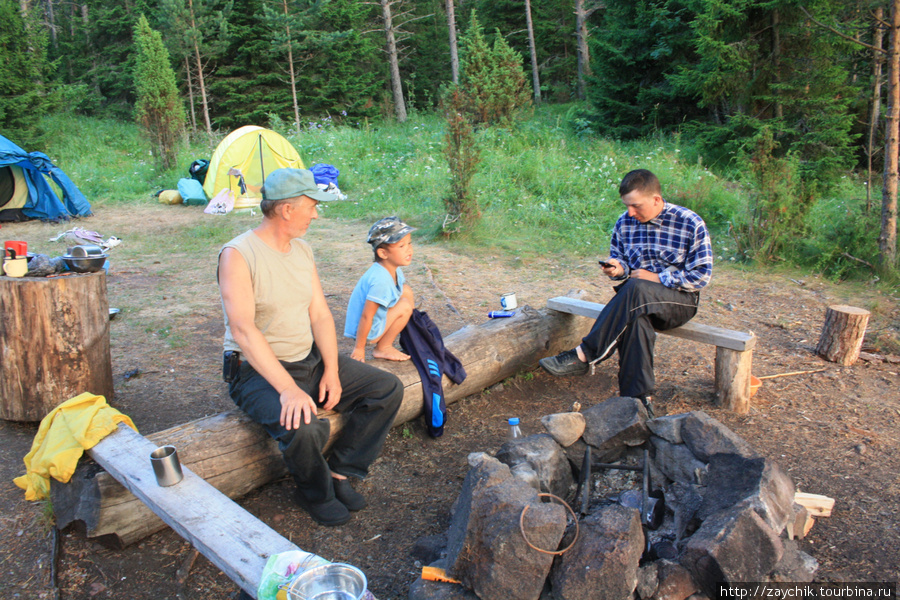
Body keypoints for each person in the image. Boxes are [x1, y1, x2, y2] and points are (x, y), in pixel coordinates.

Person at [218, 168, 403, 527]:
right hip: (256, 370)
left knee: (387, 389)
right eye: (312, 206)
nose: (317, 214)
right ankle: (313, 490)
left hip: (308, 359)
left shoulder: (301, 250)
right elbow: (243, 330)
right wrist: (288, 390)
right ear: (287, 209)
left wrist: (332, 369)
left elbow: (318, 313)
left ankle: (341, 471)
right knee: (306, 428)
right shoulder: (238, 254)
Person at [539, 169, 713, 416]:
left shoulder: (689, 222)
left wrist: (655, 278)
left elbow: (701, 275)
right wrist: (617, 269)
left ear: (656, 199)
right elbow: (623, 265)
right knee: (635, 320)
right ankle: (638, 403)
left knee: (636, 289)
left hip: (679, 302)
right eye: (627, 206)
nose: (630, 212)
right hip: (636, 301)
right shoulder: (625, 222)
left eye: (636, 206)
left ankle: (586, 354)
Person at [344, 216, 416, 363]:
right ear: (383, 253)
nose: (408, 249)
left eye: (409, 243)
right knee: (404, 306)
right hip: (367, 331)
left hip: (374, 322)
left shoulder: (392, 270)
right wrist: (359, 348)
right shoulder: (380, 280)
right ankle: (383, 347)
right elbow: (366, 316)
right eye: (401, 246)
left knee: (406, 290)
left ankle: (413, 332)